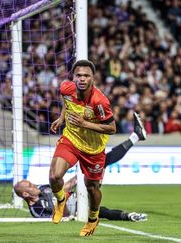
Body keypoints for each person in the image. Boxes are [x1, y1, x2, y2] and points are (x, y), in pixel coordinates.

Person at [14, 118, 147, 222]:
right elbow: (60, 216)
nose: (34, 185)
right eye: (30, 186)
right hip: (77, 209)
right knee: (100, 209)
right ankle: (130, 216)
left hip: (80, 194)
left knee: (103, 161)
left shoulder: (43, 189)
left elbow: (65, 187)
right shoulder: (37, 210)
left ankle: (135, 136)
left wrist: (77, 179)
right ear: (26, 194)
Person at [49, 60, 116, 237]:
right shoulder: (66, 88)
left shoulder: (99, 101)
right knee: (54, 176)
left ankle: (93, 219)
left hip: (93, 149)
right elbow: (67, 101)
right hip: (71, 139)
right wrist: (62, 117)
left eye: (86, 76)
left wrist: (84, 123)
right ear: (73, 77)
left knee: (91, 187)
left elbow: (112, 128)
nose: (82, 79)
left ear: (93, 78)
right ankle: (61, 200)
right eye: (78, 75)